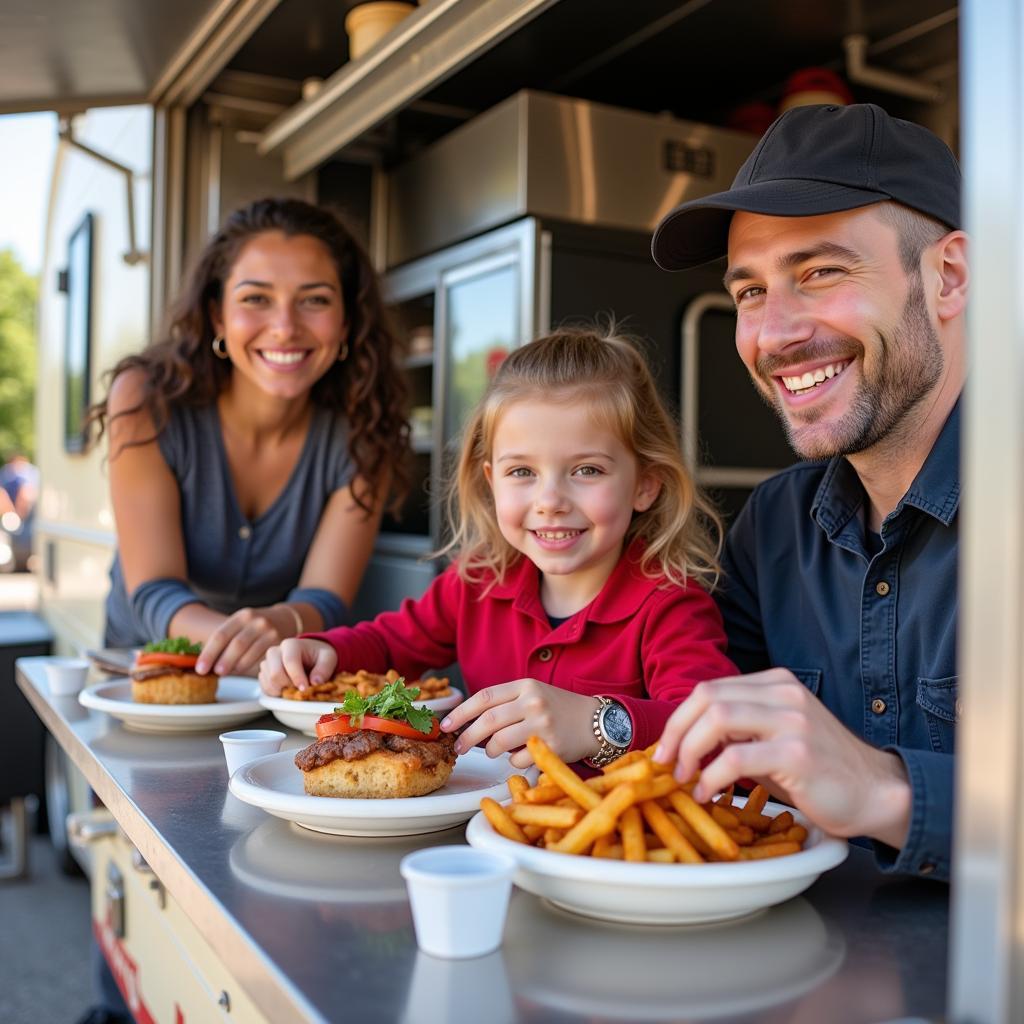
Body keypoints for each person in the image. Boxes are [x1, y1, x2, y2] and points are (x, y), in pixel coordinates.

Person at [649, 103, 966, 881]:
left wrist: (882, 788)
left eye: (821, 272)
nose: (774, 333)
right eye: (750, 291)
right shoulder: (774, 525)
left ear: (948, 278)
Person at [260, 327, 737, 768]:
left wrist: (599, 723)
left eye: (587, 470)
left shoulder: (671, 605)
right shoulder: (476, 581)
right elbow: (389, 643)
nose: (550, 502)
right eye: (522, 472)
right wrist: (322, 650)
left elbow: (715, 734)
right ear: (491, 482)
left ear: (645, 485)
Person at [86, 197, 410, 676]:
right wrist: (248, 643)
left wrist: (281, 623)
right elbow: (154, 589)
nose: (284, 328)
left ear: (346, 321)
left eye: (315, 300)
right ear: (217, 316)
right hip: (147, 674)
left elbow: (325, 596)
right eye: (256, 298)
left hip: (274, 677)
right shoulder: (144, 399)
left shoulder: (369, 427)